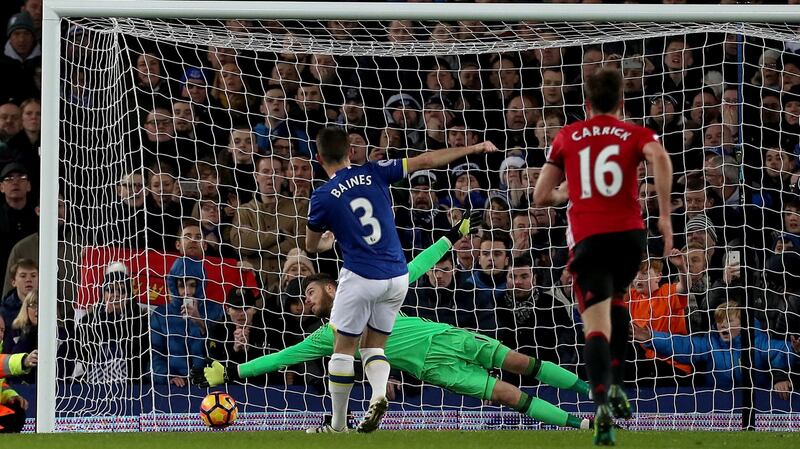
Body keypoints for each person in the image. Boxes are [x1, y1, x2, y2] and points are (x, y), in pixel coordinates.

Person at [193, 219, 592, 432]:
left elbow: (412, 271)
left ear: (331, 288)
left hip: (445, 336)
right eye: (303, 299)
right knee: (507, 394)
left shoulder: (367, 292)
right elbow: (283, 357)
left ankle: (592, 392)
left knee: (521, 363)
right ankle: (580, 423)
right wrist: (231, 371)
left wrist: (448, 239)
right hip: (434, 369)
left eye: (310, 293)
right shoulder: (327, 336)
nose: (306, 301)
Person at [305, 126, 496, 433]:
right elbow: (426, 160)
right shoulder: (375, 170)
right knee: (374, 348)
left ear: (318, 158)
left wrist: (328, 242)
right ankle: (378, 394)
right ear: (351, 152)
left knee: (343, 349)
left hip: (360, 277)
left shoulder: (322, 196)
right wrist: (472, 149)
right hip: (397, 277)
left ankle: (338, 426)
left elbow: (311, 245)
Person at [533, 68, 673, 445]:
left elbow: (540, 196)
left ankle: (602, 408)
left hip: (590, 239)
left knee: (595, 323)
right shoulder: (635, 133)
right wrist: (663, 215)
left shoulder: (568, 135)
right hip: (630, 239)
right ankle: (619, 384)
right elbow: (660, 157)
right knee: (617, 302)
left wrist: (565, 192)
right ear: (621, 103)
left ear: (586, 103)